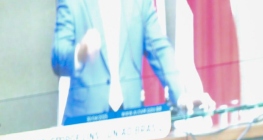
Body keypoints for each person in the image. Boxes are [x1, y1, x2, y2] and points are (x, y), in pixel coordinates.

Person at [51, 0, 210, 122]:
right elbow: (57, 58)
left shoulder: (138, 2)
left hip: (131, 118)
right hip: (85, 120)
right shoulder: (72, 2)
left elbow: (159, 49)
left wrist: (182, 95)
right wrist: (80, 53)